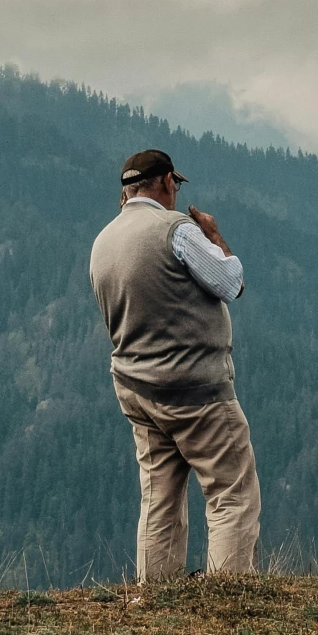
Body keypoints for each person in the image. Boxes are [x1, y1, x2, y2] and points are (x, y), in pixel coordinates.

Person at [88, 147, 261, 577]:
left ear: (126, 192)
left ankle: (157, 596)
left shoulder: (102, 242)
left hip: (137, 390)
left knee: (159, 499)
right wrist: (214, 236)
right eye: (176, 185)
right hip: (196, 391)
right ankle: (229, 594)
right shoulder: (177, 231)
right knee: (231, 491)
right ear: (166, 182)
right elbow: (231, 282)